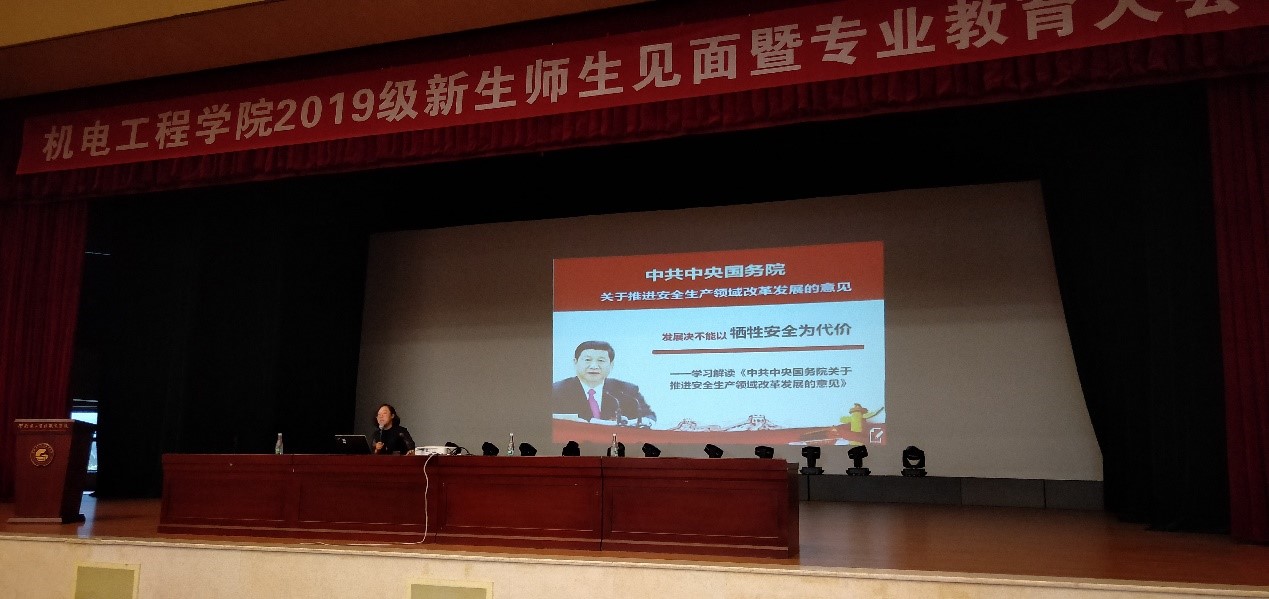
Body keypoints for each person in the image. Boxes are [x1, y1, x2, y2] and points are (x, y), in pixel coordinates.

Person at [553, 340, 655, 426]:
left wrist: (631, 423)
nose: (594, 366)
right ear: (575, 362)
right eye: (588, 360)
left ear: (611, 365)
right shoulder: (555, 391)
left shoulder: (626, 391)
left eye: (601, 361)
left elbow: (649, 417)